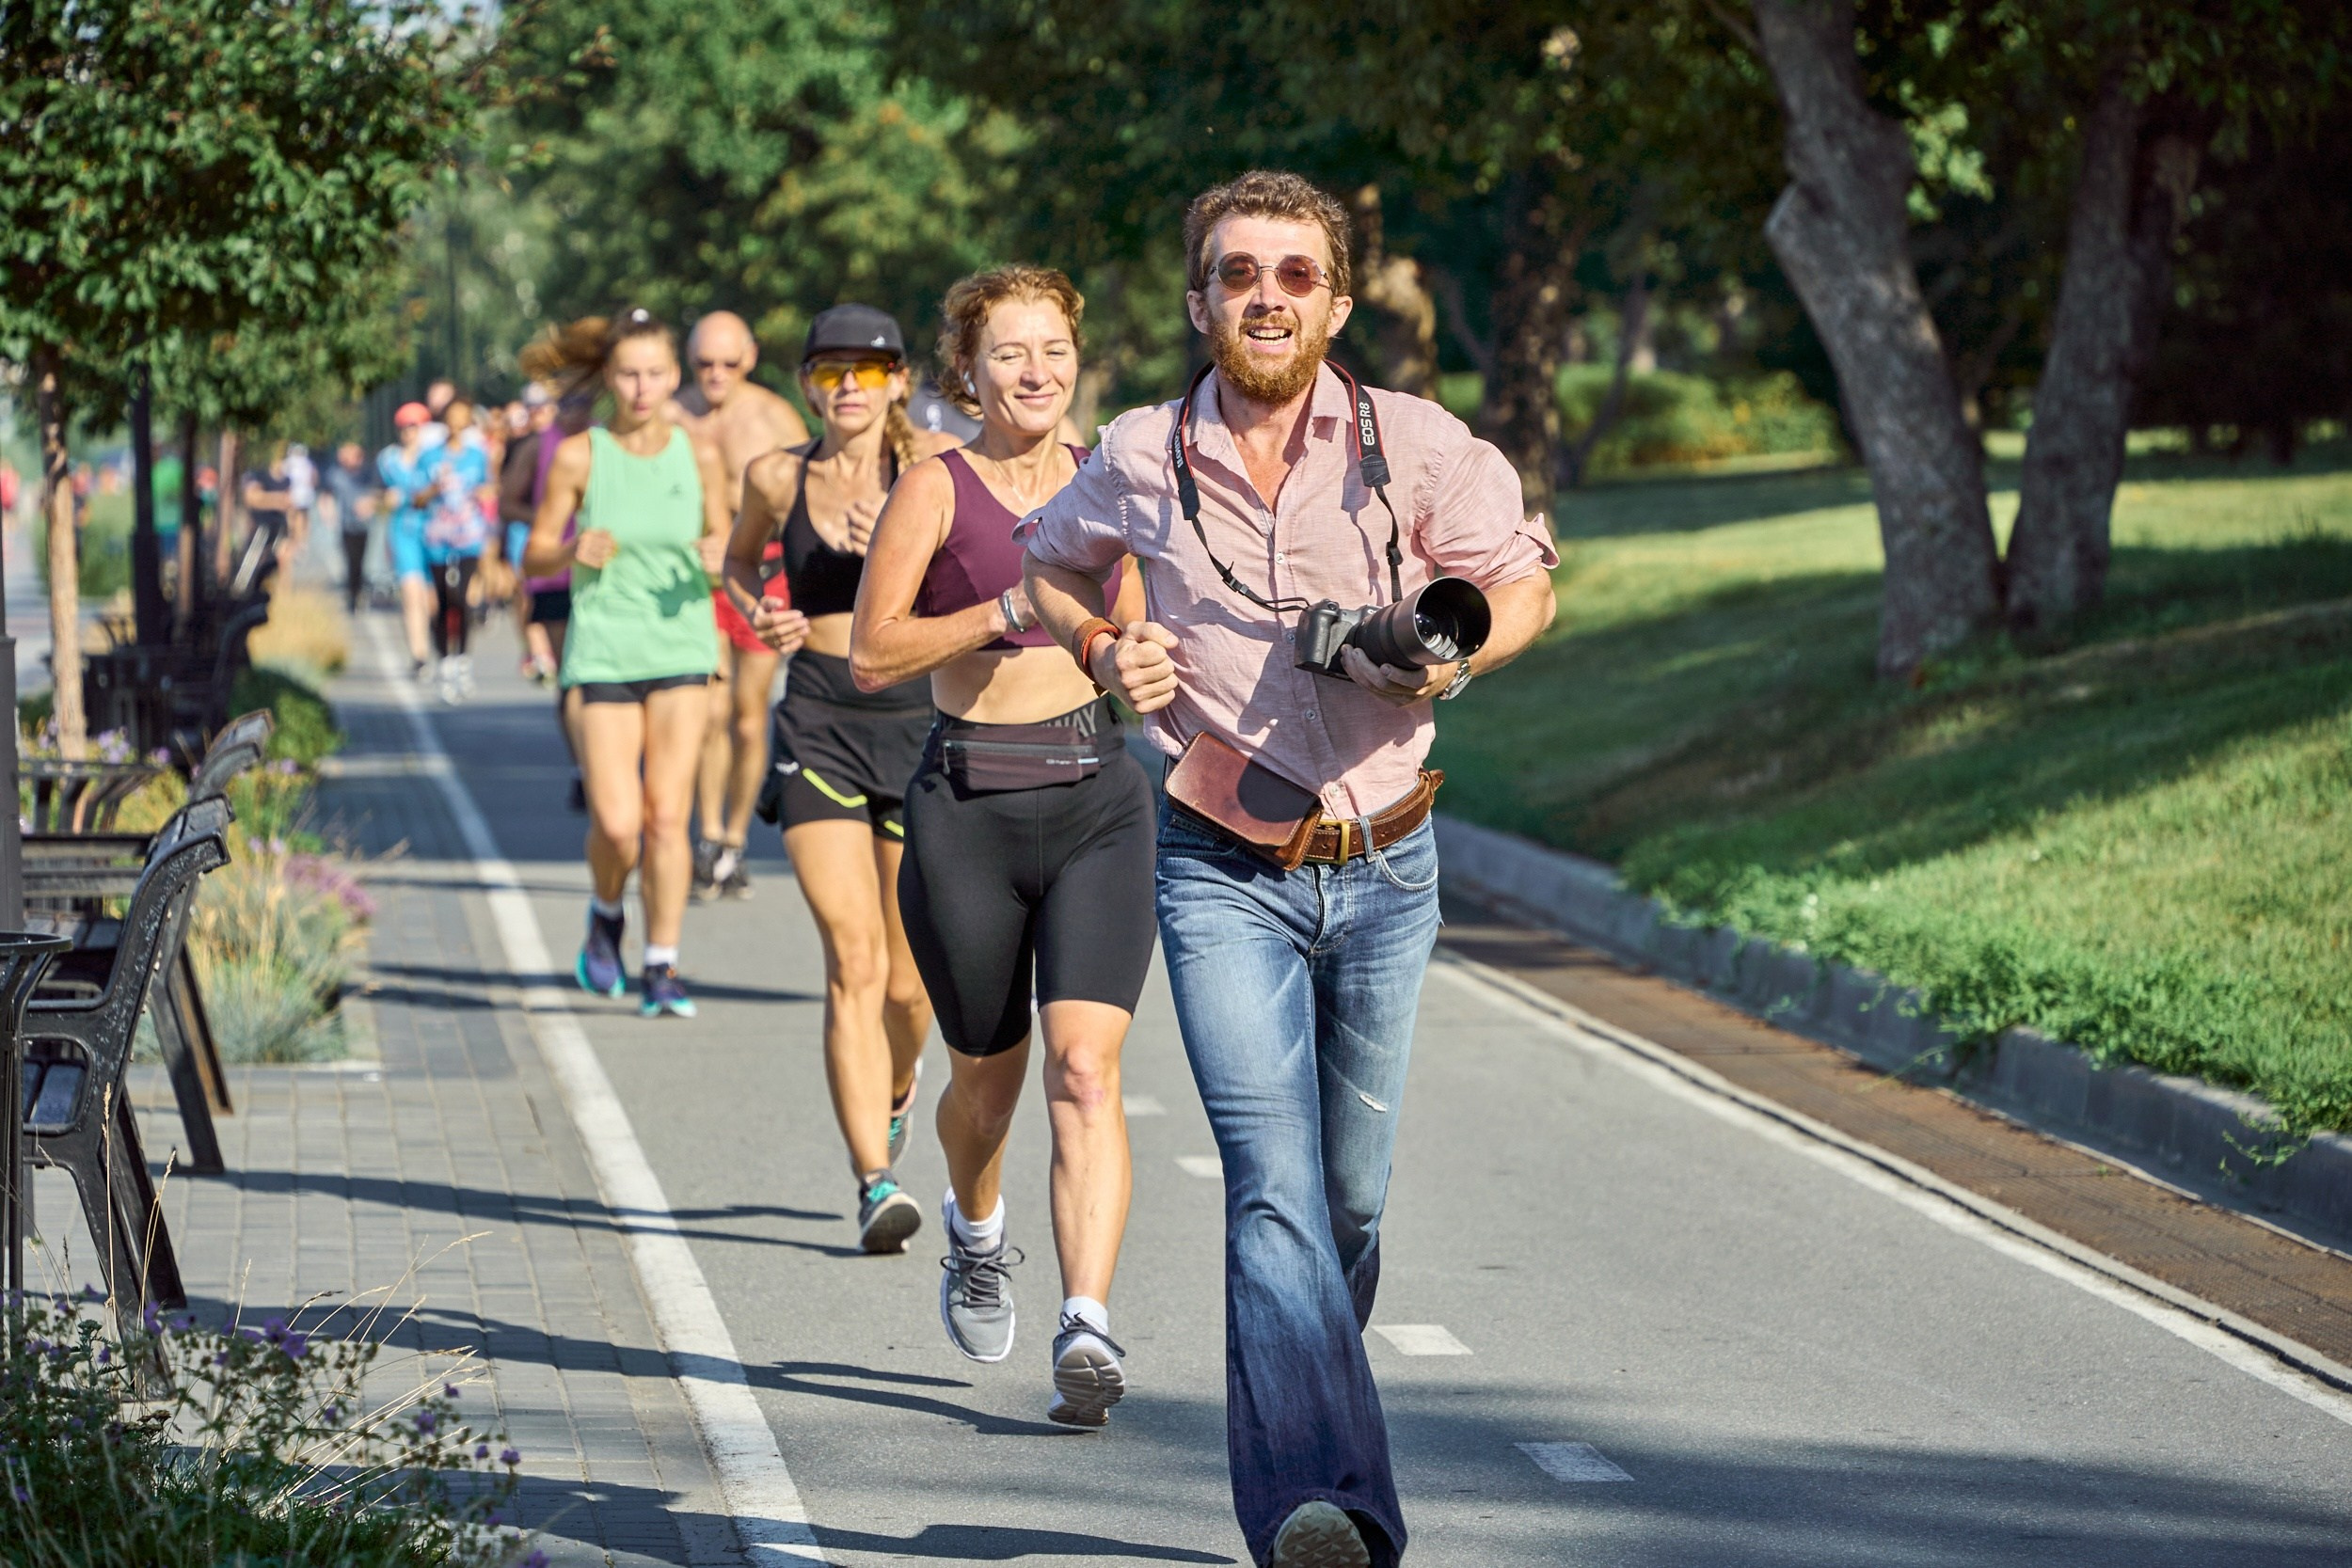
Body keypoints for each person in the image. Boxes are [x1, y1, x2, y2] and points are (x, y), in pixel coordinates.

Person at [1020, 171, 1560, 1567]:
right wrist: (1104, 649)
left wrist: (1449, 655)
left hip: (1386, 861)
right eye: (1239, 273)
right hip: (1218, 868)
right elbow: (1047, 569)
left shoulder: (1413, 442)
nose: (1268, 295)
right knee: (1271, 1183)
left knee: (1347, 1202)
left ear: (1336, 300)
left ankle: (1311, 1396)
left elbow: (1524, 581)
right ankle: (1319, 1506)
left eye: (1296, 274)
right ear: (1199, 298)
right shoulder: (1140, 452)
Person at [849, 264, 1153, 1428]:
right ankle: (975, 1230)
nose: (1036, 371)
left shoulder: (1110, 477)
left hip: (1097, 799)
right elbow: (871, 652)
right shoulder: (936, 485)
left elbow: (1145, 614)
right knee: (987, 1086)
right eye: (1009, 352)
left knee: (1086, 1067)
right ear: (967, 373)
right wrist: (1003, 610)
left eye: (1054, 349)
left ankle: (1086, 1321)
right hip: (968, 805)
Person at [724, 305, 961, 1252]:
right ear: (807, 385)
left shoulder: (936, 466)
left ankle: (895, 1087)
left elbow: (983, 572)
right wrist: (760, 611)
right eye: (831, 371)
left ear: (899, 380)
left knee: (908, 985)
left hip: (915, 724)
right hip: (817, 719)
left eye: (869, 369)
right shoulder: (775, 475)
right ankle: (874, 1180)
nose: (850, 386)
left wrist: (911, 548)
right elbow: (738, 563)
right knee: (852, 956)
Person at [522, 309, 729, 1019]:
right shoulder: (582, 455)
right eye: (629, 374)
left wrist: (719, 555)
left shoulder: (700, 453)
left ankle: (661, 964)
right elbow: (533, 555)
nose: (643, 388)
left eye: (655, 374)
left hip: (681, 646)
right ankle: (607, 911)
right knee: (617, 824)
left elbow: (728, 543)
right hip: (605, 650)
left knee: (667, 817)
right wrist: (568, 550)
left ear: (674, 377)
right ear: (609, 378)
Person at [669, 310, 812, 900]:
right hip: (698, 580)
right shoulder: (671, 416)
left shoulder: (774, 417)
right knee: (708, 712)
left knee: (750, 718)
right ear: (689, 359)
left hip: (763, 574)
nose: (716, 374)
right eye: (705, 363)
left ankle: (734, 838)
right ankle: (707, 837)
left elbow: (807, 501)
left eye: (729, 363)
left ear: (749, 358)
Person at [423, 399, 494, 703]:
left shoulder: (477, 455)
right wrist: (434, 488)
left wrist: (484, 493)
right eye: (451, 417)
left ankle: (462, 660)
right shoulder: (430, 456)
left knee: (462, 598)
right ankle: (444, 661)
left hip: (468, 535)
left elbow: (490, 487)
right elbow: (416, 498)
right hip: (438, 535)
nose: (455, 422)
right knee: (441, 600)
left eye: (461, 417)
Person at [378, 404, 442, 678]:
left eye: (414, 426)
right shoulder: (388, 460)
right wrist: (384, 500)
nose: (408, 432)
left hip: (434, 531)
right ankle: (419, 655)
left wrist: (405, 497)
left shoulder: (436, 459)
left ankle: (439, 644)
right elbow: (379, 494)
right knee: (411, 592)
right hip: (403, 531)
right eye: (404, 427)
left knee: (432, 598)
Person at [323, 442, 377, 613]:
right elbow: (327, 495)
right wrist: (328, 514)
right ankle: (352, 596)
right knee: (350, 560)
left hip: (363, 526)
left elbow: (377, 494)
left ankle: (358, 591)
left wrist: (369, 505)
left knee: (360, 561)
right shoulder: (336, 475)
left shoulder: (367, 474)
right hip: (346, 525)